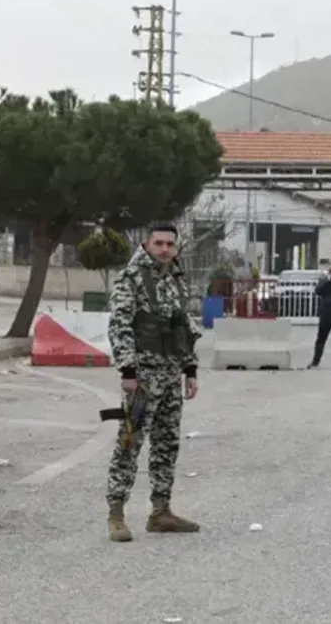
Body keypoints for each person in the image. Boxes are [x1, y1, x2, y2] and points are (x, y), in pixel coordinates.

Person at [104, 222, 203, 543]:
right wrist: (128, 371)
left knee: (166, 444)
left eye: (169, 244)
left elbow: (184, 327)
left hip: (171, 375)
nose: (164, 249)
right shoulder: (131, 278)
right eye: (158, 243)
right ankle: (116, 514)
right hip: (143, 378)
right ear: (147, 245)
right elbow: (120, 325)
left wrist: (190, 369)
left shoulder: (176, 279)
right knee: (130, 442)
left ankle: (161, 511)